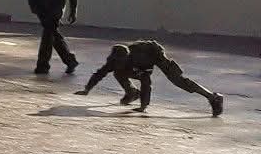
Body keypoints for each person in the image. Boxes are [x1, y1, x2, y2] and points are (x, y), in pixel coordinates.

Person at [74, 40, 223, 116]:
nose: (118, 64)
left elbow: (147, 81)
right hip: (141, 57)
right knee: (118, 73)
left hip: (155, 53)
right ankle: (132, 92)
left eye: (121, 62)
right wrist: (86, 89)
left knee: (178, 80)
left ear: (127, 58)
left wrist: (143, 106)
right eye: (116, 62)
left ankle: (213, 97)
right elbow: (100, 73)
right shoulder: (113, 61)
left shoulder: (139, 59)